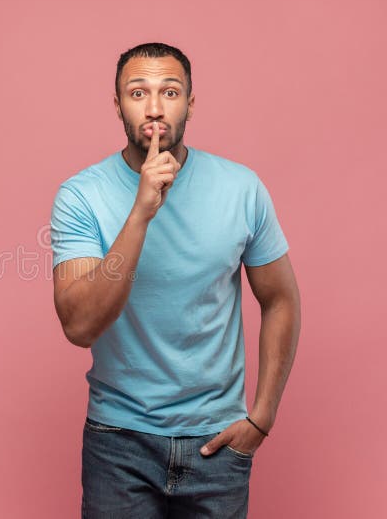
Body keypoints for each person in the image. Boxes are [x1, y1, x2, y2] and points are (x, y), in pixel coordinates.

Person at [50, 43, 301, 518]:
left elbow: (281, 299)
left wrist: (262, 416)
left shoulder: (242, 188)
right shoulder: (80, 196)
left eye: (170, 91)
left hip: (219, 441)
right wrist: (141, 213)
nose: (154, 107)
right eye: (137, 92)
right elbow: (78, 325)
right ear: (117, 103)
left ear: (190, 102)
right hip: (118, 444)